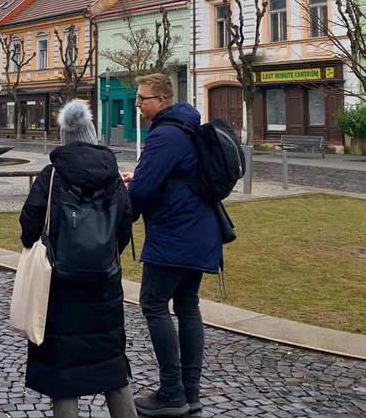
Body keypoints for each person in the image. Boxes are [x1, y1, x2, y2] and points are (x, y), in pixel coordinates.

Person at [19, 99, 136, 418]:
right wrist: (102, 255)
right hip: (104, 285)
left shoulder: (52, 175)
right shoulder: (113, 176)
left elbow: (29, 224)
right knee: (112, 366)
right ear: (92, 133)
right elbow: (125, 225)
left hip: (59, 286)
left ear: (64, 136)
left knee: (63, 375)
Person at [123, 74, 221, 418]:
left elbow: (143, 190)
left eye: (141, 98)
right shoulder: (187, 127)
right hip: (199, 231)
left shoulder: (164, 135)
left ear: (161, 101)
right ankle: (189, 392)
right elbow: (168, 177)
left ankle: (171, 392)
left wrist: (122, 214)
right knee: (188, 306)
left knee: (153, 302)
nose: (137, 103)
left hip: (175, 233)